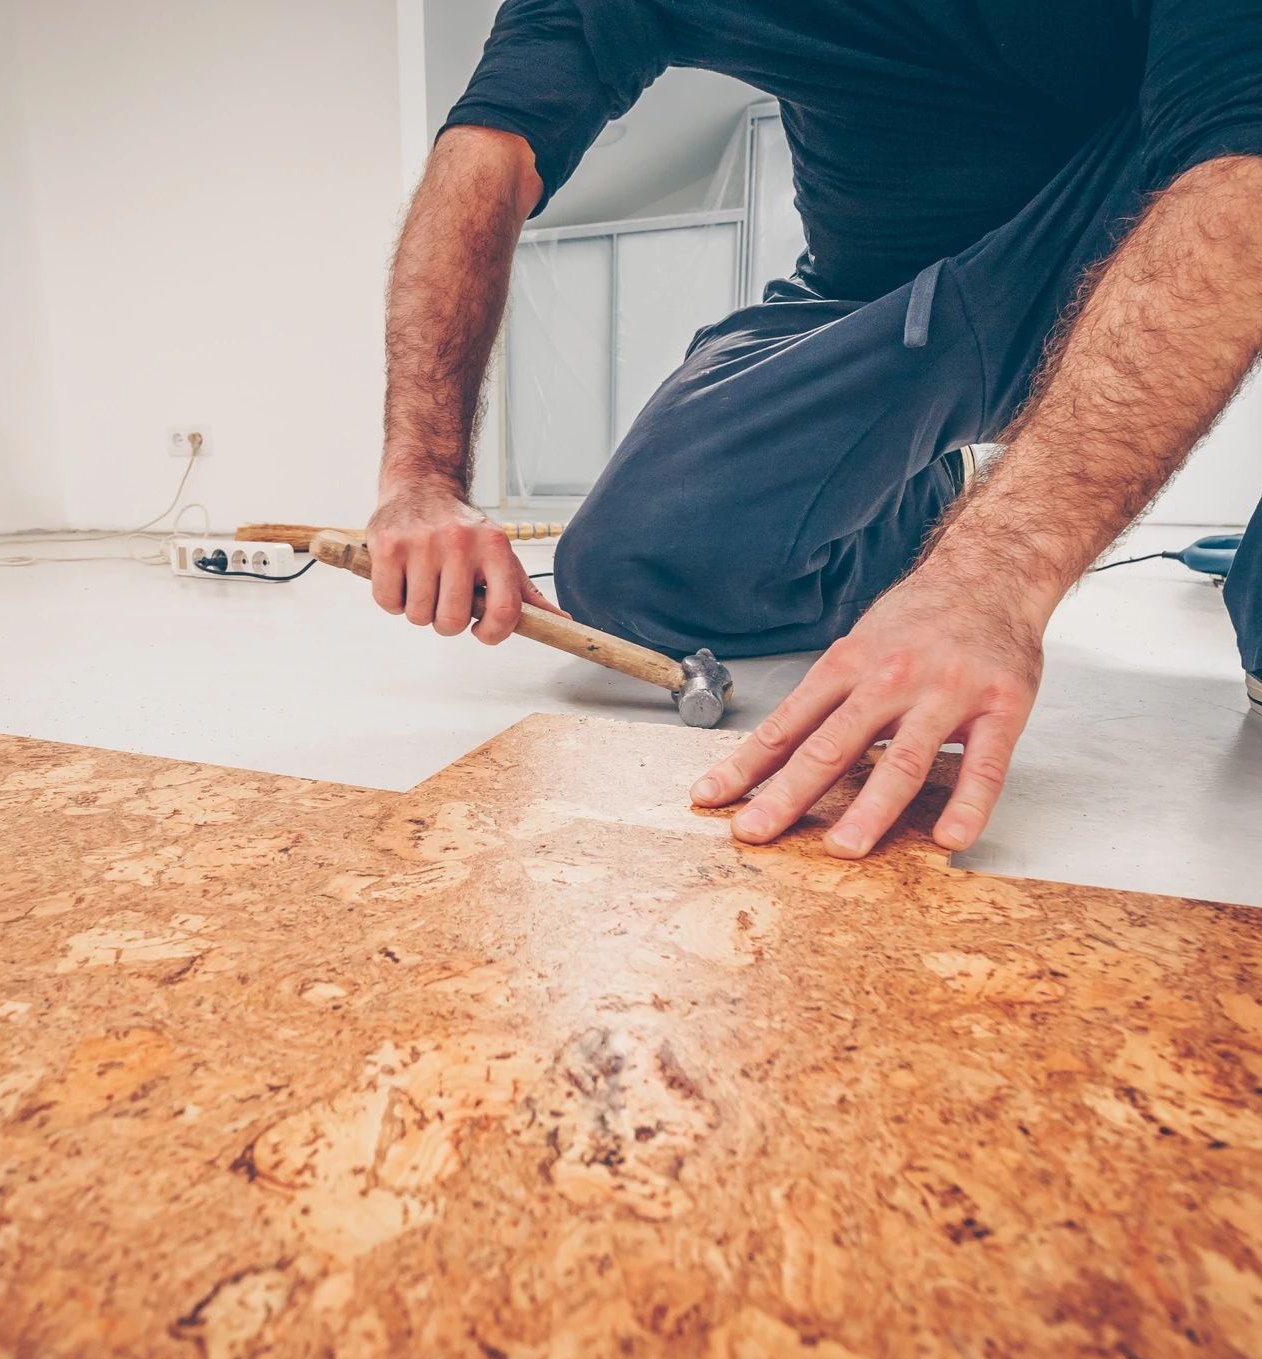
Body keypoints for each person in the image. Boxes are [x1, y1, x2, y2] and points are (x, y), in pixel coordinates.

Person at [366, 0, 1262, 858]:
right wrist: (421, 477)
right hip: (869, 298)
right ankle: (917, 495)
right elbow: (485, 154)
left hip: (1142, 219)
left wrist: (991, 578)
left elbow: (1241, 175)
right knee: (633, 567)